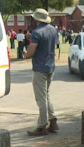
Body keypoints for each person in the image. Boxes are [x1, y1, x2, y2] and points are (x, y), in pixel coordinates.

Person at [24, 8, 60, 136]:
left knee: (41, 98)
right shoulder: (53, 30)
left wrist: (26, 54)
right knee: (47, 95)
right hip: (51, 66)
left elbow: (32, 52)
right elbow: (51, 44)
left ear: (37, 19)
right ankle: (53, 120)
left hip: (40, 67)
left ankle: (41, 126)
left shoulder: (36, 32)